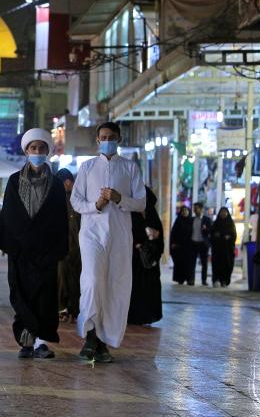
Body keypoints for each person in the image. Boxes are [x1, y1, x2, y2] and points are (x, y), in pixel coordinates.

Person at [71, 122, 146, 363]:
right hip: (92, 233)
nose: (107, 140)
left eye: (111, 137)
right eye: (103, 137)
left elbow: (141, 203)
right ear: (97, 140)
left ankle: (104, 341)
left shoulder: (130, 168)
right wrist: (96, 205)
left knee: (115, 286)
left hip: (120, 235)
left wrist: (118, 198)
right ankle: (90, 335)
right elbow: (76, 202)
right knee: (92, 281)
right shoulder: (87, 167)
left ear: (119, 139)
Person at [0, 129, 69, 359]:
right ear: (26, 151)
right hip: (20, 251)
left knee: (46, 298)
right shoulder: (15, 181)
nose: (37, 152)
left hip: (46, 252)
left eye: (41, 148)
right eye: (33, 148)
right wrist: (20, 243)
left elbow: (58, 219)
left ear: (48, 151)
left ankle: (41, 343)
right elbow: (10, 214)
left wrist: (54, 248)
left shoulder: (56, 185)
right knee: (22, 295)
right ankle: (26, 341)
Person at [128, 186, 163, 326]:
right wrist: (136, 244)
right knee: (135, 288)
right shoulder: (132, 214)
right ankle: (134, 316)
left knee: (150, 289)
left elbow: (160, 237)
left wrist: (155, 237)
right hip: (135, 259)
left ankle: (148, 316)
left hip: (150, 260)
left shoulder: (152, 215)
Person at [55, 168, 80, 323]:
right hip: (62, 247)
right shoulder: (57, 200)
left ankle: (74, 309)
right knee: (61, 279)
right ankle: (62, 308)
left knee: (75, 279)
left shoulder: (78, 199)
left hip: (78, 247)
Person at [210, 207, 237, 287]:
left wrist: (228, 237)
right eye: (222, 212)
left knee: (227, 265)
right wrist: (217, 236)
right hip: (217, 249)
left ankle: (225, 281)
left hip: (227, 250)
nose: (223, 213)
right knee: (216, 265)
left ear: (227, 213)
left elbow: (233, 235)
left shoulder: (231, 223)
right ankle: (216, 280)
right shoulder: (216, 223)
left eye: (225, 212)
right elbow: (212, 234)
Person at [170, 206, 194, 285]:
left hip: (189, 246)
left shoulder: (191, 221)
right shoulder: (178, 221)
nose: (185, 212)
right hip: (179, 246)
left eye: (186, 210)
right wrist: (173, 243)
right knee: (179, 263)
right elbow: (173, 233)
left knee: (189, 264)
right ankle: (180, 279)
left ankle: (189, 279)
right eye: (183, 211)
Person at [190, 202, 212, 286]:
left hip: (203, 243)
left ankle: (204, 280)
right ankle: (191, 279)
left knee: (204, 263)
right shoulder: (192, 219)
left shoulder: (207, 219)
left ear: (201, 209)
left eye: (196, 208)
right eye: (194, 208)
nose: (194, 210)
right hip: (193, 243)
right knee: (192, 263)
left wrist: (206, 229)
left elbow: (211, 230)